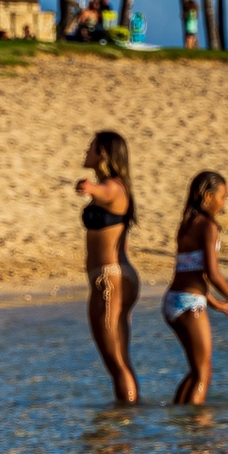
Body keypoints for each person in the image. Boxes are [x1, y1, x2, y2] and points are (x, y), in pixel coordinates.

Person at [162, 171, 228, 406]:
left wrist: (216, 303)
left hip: (173, 300)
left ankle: (179, 420)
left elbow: (191, 272)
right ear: (207, 197)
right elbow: (213, 274)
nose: (224, 204)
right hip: (189, 304)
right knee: (204, 374)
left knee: (196, 371)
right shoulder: (208, 227)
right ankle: (198, 435)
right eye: (223, 197)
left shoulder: (187, 224)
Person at [75, 131, 139, 403]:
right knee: (120, 360)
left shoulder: (114, 188)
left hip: (108, 280)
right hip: (115, 277)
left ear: (102, 153)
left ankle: (124, 426)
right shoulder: (117, 188)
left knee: (116, 364)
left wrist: (90, 188)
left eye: (91, 147)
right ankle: (128, 421)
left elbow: (106, 191)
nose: (86, 150)